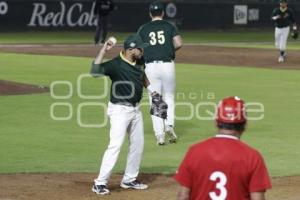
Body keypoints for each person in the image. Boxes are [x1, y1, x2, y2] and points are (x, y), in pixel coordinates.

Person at [174, 96, 272, 200]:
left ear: (216, 122)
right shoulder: (252, 157)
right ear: (245, 125)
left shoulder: (194, 151)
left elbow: (183, 195)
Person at [90, 35, 151, 195]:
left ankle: (129, 179)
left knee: (138, 144)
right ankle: (99, 183)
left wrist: (153, 92)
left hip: (135, 109)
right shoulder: (116, 65)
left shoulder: (139, 60)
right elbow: (94, 72)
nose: (142, 50)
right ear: (131, 49)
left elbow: (142, 75)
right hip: (119, 110)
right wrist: (104, 50)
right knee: (115, 145)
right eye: (140, 48)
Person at [137, 1, 183, 145]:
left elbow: (138, 50)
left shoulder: (144, 28)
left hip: (151, 67)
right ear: (163, 13)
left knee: (156, 99)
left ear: (150, 13)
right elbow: (179, 43)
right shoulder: (169, 26)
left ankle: (160, 135)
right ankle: (169, 125)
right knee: (169, 96)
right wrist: (166, 49)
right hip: (168, 65)